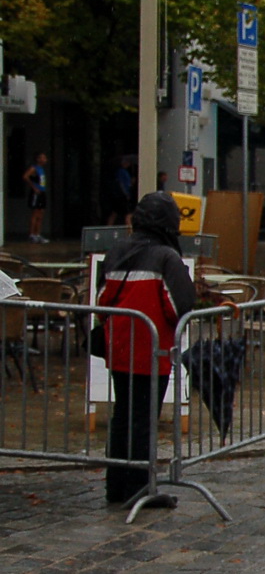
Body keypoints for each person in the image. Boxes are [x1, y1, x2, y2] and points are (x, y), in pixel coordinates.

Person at [95, 191, 196, 504]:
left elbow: (102, 300)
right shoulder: (166, 256)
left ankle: (116, 486)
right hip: (152, 350)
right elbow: (180, 306)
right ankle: (140, 489)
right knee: (143, 421)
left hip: (119, 347)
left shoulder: (114, 252)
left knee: (121, 418)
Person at [23, 152, 48, 243]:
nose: (44, 159)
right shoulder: (34, 168)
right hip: (36, 193)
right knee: (35, 213)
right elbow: (25, 176)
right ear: (38, 159)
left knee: (41, 213)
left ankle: (38, 234)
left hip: (42, 192)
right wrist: (34, 187)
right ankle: (32, 234)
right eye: (42, 158)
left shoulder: (41, 169)